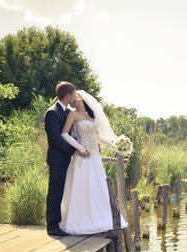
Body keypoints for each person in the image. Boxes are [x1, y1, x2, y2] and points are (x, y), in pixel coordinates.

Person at [59, 90, 129, 235]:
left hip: (95, 156)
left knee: (98, 186)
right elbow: (64, 134)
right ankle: (81, 220)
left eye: (77, 99)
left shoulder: (92, 116)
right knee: (82, 186)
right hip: (83, 156)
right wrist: (79, 148)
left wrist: (114, 145)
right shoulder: (73, 114)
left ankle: (99, 217)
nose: (75, 102)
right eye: (73, 100)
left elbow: (98, 136)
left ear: (84, 100)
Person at [44, 81, 89, 236]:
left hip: (64, 159)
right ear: (67, 95)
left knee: (61, 191)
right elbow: (56, 138)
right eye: (73, 94)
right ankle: (52, 226)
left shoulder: (66, 111)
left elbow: (69, 135)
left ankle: (58, 223)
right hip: (57, 160)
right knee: (55, 192)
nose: (74, 97)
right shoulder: (52, 112)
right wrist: (74, 150)